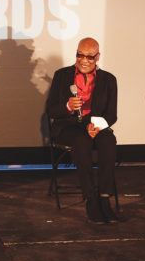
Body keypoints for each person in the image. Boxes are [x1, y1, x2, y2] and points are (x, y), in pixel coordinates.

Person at [45, 37, 119, 224]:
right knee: (82, 141)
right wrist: (67, 106)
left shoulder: (109, 80)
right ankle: (90, 199)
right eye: (80, 55)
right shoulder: (62, 75)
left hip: (95, 124)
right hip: (68, 126)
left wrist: (97, 125)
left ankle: (104, 197)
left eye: (90, 57)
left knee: (108, 141)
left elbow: (112, 115)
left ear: (98, 57)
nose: (84, 61)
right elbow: (51, 110)